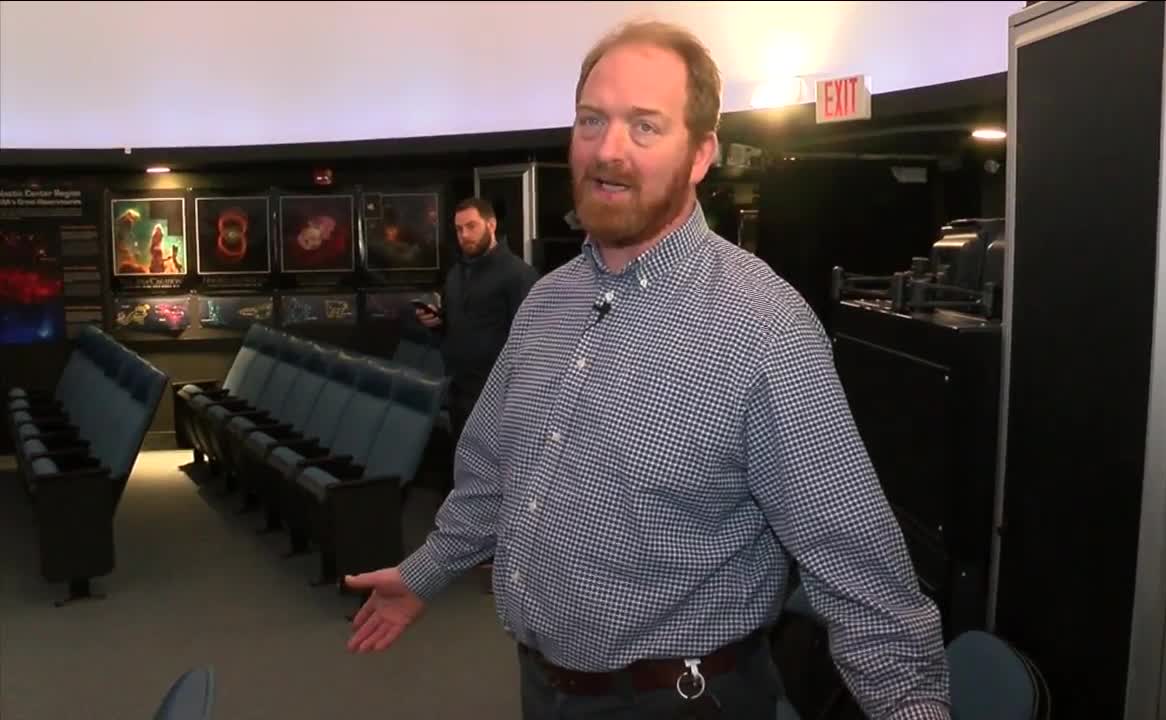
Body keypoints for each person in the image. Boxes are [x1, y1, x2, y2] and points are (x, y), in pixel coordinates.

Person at [346, 20, 950, 720]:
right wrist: (425, 574)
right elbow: (492, 474)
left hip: (683, 701)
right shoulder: (548, 302)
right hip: (545, 689)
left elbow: (860, 572)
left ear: (700, 154)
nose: (609, 151)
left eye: (645, 127)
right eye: (591, 121)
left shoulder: (764, 327)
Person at [409, 196, 539, 436]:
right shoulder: (455, 275)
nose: (464, 235)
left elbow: (532, 342)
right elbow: (453, 327)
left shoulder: (518, 275)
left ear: (491, 225)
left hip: (498, 398)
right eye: (459, 229)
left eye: (471, 226)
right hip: (459, 389)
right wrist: (436, 323)